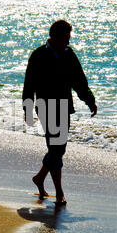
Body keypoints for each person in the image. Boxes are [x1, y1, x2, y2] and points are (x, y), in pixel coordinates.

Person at [22, 20, 97, 206]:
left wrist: (90, 100)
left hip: (64, 106)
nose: (69, 42)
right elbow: (29, 85)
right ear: (55, 37)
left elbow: (79, 81)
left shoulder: (69, 55)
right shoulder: (39, 55)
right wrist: (28, 109)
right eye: (66, 38)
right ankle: (59, 192)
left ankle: (39, 178)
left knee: (59, 149)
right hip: (45, 106)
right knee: (56, 147)